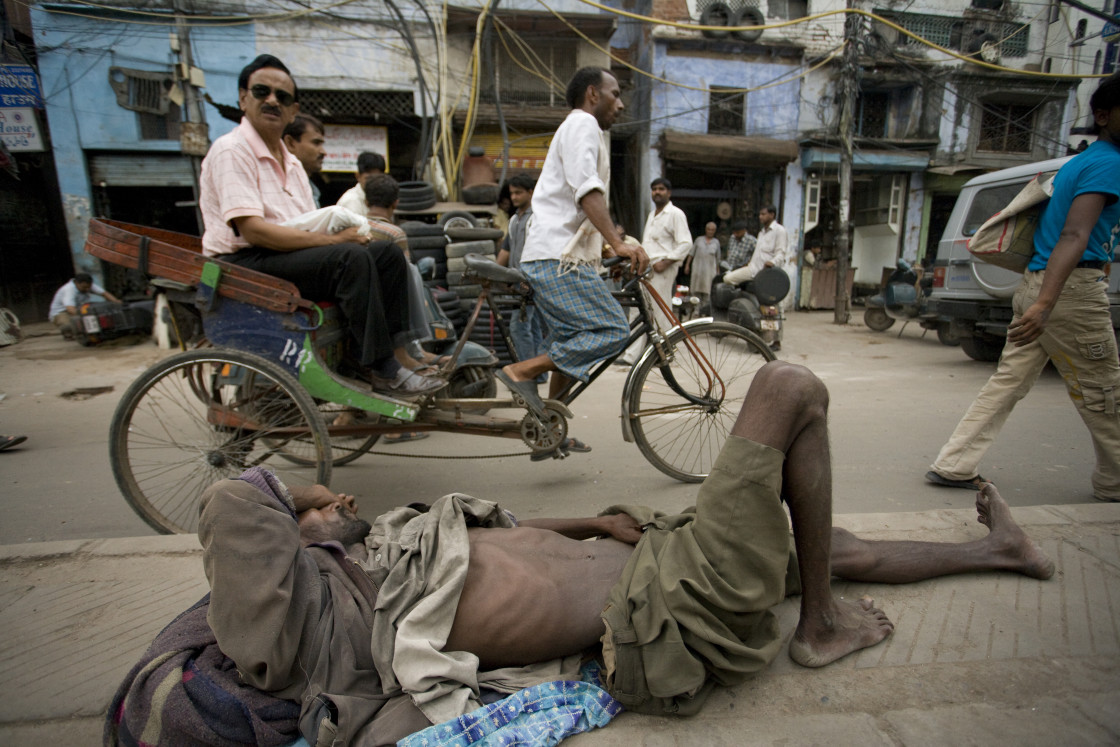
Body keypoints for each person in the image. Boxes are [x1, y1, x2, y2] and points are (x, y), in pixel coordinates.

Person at [200, 360, 1056, 745]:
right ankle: (822, 623)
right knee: (790, 388)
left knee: (821, 543)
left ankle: (999, 549)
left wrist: (595, 524)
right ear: (290, 554)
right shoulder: (323, 623)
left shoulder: (391, 546)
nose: (342, 500)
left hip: (657, 557)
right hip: (668, 612)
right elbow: (232, 502)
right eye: (323, 511)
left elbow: (509, 541)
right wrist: (305, 496)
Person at [926, 72, 1120, 502]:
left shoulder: (1080, 162)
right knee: (1104, 388)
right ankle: (1114, 480)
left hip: (1037, 282)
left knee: (1008, 380)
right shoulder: (1109, 164)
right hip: (1067, 289)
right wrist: (1049, 303)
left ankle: (954, 462)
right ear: (1104, 116)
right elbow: (1073, 235)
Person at [198, 54, 441, 396]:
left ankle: (388, 354)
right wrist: (335, 243)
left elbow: (307, 225)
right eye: (261, 92)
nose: (272, 101)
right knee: (348, 257)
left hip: (283, 257)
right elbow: (254, 231)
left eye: (282, 97)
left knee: (385, 252)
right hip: (246, 263)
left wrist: (344, 238)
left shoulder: (293, 164)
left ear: (293, 110)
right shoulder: (231, 150)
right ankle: (380, 366)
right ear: (243, 98)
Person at [494, 67, 648, 440]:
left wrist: (606, 252)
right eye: (616, 94)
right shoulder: (582, 125)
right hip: (554, 258)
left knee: (571, 343)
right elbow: (586, 192)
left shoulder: (578, 128)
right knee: (613, 329)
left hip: (557, 256)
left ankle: (549, 425)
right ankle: (522, 371)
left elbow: (579, 208)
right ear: (593, 94)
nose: (621, 103)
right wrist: (618, 241)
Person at [618, 178, 692, 364]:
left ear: (669, 192)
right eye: (654, 189)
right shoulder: (653, 215)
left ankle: (665, 353)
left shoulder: (675, 214)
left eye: (661, 189)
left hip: (662, 269)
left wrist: (666, 262)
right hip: (647, 269)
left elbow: (686, 243)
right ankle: (631, 356)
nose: (657, 192)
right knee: (641, 310)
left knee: (660, 310)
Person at [723, 205, 788, 285]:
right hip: (752, 269)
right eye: (760, 214)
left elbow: (781, 254)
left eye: (763, 214)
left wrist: (772, 262)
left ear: (772, 215)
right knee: (727, 278)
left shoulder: (779, 230)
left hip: (766, 272)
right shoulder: (762, 232)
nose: (760, 217)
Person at [48, 273, 121, 339]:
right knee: (71, 325)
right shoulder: (69, 290)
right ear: (77, 283)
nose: (87, 289)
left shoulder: (88, 285)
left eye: (89, 287)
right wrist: (87, 318)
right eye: (84, 287)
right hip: (62, 313)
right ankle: (68, 333)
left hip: (79, 308)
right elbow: (70, 309)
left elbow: (105, 294)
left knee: (98, 308)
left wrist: (117, 302)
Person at [281, 113, 326, 208]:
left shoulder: (310, 188)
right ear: (290, 143)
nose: (323, 152)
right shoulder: (279, 185)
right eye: (316, 143)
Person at [685, 221, 721, 312]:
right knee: (695, 290)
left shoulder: (716, 242)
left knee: (707, 291)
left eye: (712, 230)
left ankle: (704, 310)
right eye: (709, 229)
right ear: (706, 230)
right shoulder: (699, 240)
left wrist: (718, 272)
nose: (710, 231)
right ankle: (696, 310)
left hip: (709, 271)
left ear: (715, 231)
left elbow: (718, 259)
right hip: (698, 269)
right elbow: (691, 253)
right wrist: (687, 265)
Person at [336, 151, 387, 216]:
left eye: (378, 178)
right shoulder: (351, 201)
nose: (374, 183)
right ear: (358, 176)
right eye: (369, 178)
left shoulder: (381, 198)